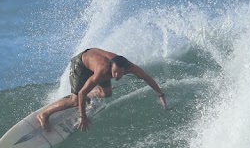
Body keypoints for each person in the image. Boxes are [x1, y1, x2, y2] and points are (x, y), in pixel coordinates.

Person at [37, 48, 167, 132]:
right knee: (76, 100)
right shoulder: (104, 71)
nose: (116, 76)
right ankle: (44, 115)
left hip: (95, 64)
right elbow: (82, 92)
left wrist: (160, 94)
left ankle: (91, 94)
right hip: (81, 65)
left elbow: (147, 78)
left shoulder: (131, 67)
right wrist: (83, 116)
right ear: (111, 67)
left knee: (107, 94)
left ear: (126, 69)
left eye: (119, 73)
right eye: (114, 72)